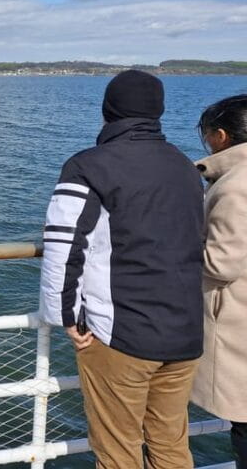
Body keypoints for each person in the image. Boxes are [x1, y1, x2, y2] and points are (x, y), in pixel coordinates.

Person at [38, 70, 205, 468]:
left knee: (117, 452)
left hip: (123, 335)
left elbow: (63, 245)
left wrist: (65, 317)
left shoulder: (89, 166)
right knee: (170, 446)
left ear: (107, 110)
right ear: (158, 112)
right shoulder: (185, 167)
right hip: (184, 333)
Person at [191, 94, 247, 468]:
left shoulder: (236, 185)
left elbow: (220, 263)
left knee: (244, 429)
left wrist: (177, 244)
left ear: (222, 136)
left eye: (208, 134)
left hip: (238, 326)